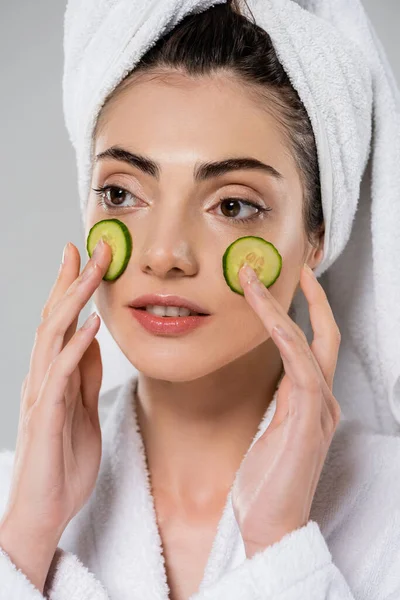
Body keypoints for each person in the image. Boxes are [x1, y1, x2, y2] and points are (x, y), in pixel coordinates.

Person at [0, 2, 400, 599]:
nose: (165, 254)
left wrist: (276, 546)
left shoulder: (389, 516)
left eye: (233, 205)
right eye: (121, 191)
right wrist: (25, 538)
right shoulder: (11, 503)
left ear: (314, 239)